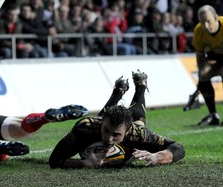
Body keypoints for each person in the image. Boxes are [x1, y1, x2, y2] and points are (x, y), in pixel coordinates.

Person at [49, 70, 185, 168]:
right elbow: (54, 160)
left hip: (132, 129)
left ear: (127, 131)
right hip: (99, 123)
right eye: (106, 131)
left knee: (139, 121)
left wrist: (158, 156)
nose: (109, 139)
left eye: (116, 135)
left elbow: (178, 148)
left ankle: (141, 87)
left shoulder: (138, 134)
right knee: (100, 118)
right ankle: (117, 93)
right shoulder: (85, 127)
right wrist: (83, 163)